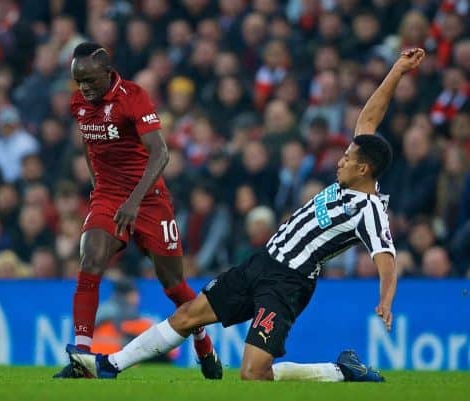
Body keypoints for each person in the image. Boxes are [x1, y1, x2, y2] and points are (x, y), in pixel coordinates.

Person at [54, 48, 426, 381]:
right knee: (188, 316)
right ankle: (109, 366)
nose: (341, 160)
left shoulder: (371, 209)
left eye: (348, 159)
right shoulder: (355, 172)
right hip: (261, 262)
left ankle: (341, 371)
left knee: (253, 374)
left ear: (364, 170)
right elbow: (369, 119)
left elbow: (386, 257)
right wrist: (397, 70)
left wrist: (386, 300)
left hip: (287, 284)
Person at [58, 42, 221, 379]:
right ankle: (82, 358)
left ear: (107, 72)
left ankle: (203, 342)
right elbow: (90, 147)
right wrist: (97, 186)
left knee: (174, 286)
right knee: (90, 260)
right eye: (78, 81)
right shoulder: (79, 103)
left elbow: (161, 154)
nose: (84, 88)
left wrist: (133, 201)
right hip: (107, 194)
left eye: (89, 80)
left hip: (149, 199)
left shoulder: (133, 96)